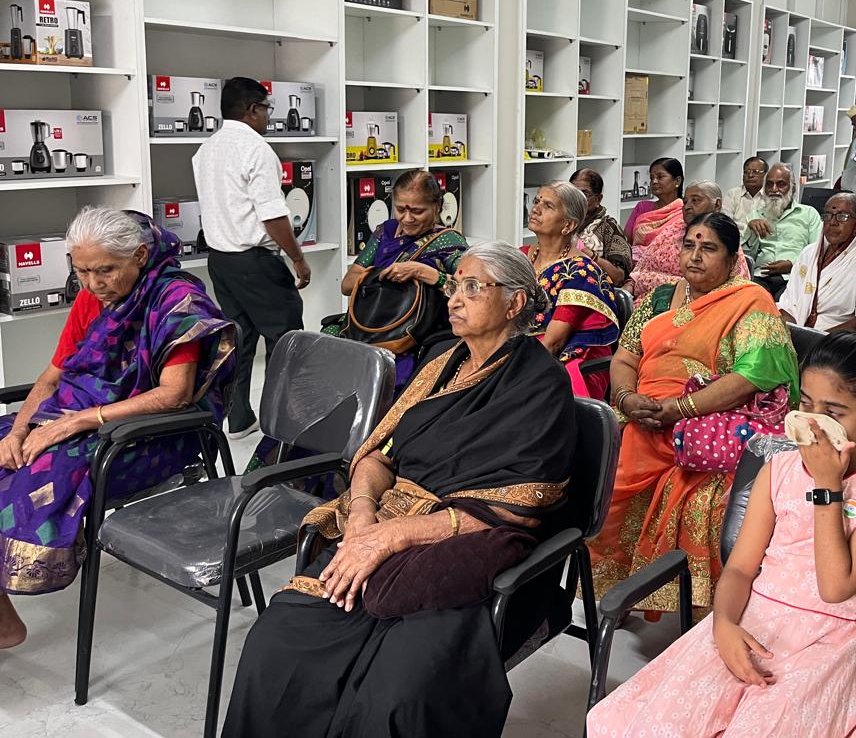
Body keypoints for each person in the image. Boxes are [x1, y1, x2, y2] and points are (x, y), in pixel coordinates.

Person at [222, 243, 576, 738]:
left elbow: (518, 507)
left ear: (514, 302)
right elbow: (376, 455)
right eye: (454, 285)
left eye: (473, 287)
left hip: (464, 555)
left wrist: (392, 537)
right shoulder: (441, 365)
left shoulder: (540, 384)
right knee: (276, 643)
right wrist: (362, 515)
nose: (454, 298)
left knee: (396, 695)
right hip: (382, 525)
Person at [587, 333, 856, 738]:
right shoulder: (778, 470)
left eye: (833, 412)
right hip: (754, 619)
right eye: (806, 405)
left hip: (830, 643)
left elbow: (835, 587)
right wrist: (724, 624)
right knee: (647, 725)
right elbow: (741, 569)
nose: (812, 423)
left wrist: (827, 485)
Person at [0, 208, 234, 649]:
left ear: (140, 256)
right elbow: (52, 377)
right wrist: (18, 431)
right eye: (82, 271)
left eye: (105, 270)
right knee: (8, 451)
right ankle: (4, 621)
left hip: (154, 432)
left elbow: (174, 396)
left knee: (33, 478)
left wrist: (75, 422)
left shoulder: (176, 301)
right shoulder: (93, 298)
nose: (93, 284)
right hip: (77, 414)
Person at [591, 213, 799, 612]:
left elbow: (753, 377)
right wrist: (626, 398)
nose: (695, 256)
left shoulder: (750, 302)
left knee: (633, 462)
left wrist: (679, 409)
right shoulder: (659, 298)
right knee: (603, 464)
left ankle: (671, 597)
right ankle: (614, 590)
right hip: (643, 413)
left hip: (704, 425)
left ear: (732, 258)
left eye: (709, 248)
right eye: (689, 246)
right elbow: (625, 357)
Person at [193, 76, 309, 438]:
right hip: (256, 262)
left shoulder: (206, 150)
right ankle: (281, 422)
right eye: (267, 109)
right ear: (252, 109)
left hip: (221, 261)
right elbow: (273, 216)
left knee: (238, 340)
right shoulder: (256, 149)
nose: (269, 117)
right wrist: (297, 258)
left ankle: (238, 417)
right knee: (285, 339)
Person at [328, 169, 467, 389]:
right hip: (373, 323)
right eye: (400, 209)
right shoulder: (386, 232)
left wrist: (425, 273)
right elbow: (347, 285)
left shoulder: (448, 242)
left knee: (396, 376)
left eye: (417, 211)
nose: (407, 219)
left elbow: (469, 291)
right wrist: (382, 275)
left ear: (437, 206)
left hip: (418, 333)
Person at [523, 181, 620, 399]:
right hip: (521, 345)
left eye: (548, 206)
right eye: (537, 201)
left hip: (564, 360)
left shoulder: (580, 272)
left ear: (568, 225)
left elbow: (553, 343)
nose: (536, 208)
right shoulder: (522, 256)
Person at [778, 193, 856, 332]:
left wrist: (818, 340)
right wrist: (790, 333)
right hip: (795, 329)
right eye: (827, 215)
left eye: (842, 216)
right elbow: (788, 302)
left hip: (835, 338)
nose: (833, 222)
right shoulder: (809, 253)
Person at [628, 179, 748, 298]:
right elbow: (641, 269)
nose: (687, 207)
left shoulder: (726, 235)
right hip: (647, 300)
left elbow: (735, 290)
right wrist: (632, 284)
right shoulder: (672, 230)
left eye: (695, 200)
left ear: (717, 204)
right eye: (685, 202)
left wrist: (655, 282)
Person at [742, 164, 823, 293]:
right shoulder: (755, 216)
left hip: (795, 276)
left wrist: (792, 265)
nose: (774, 189)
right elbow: (746, 258)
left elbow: (818, 251)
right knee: (753, 299)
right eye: (769, 184)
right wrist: (750, 231)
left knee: (785, 301)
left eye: (781, 184)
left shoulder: (809, 214)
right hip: (761, 276)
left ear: (793, 188)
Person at [571, 168, 634, 286]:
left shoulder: (608, 227)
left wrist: (586, 252)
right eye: (573, 193)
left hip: (594, 288)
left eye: (585, 194)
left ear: (598, 199)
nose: (577, 199)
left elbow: (618, 277)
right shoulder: (560, 222)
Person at [625, 157, 684, 243]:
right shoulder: (643, 207)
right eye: (651, 178)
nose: (654, 181)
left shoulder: (684, 211)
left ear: (677, 181)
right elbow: (624, 242)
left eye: (660, 177)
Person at [726, 156, 769, 233]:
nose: (750, 175)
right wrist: (748, 227)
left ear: (766, 175)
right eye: (746, 172)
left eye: (755, 172)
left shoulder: (770, 196)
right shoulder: (732, 194)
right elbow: (725, 222)